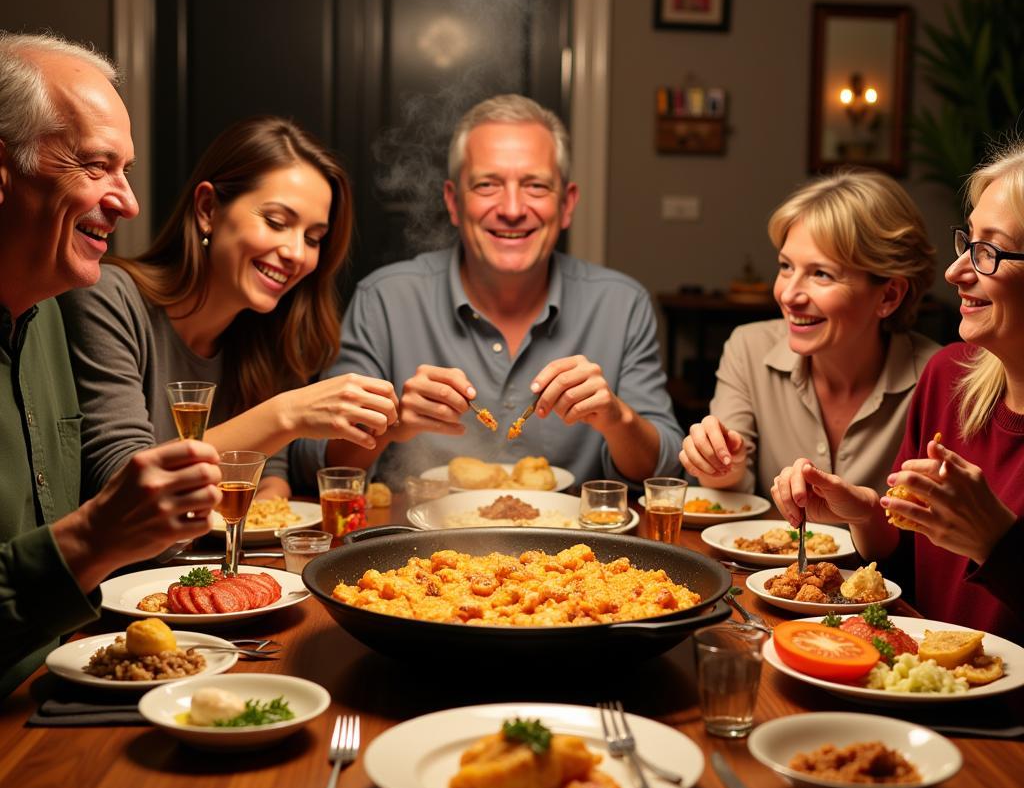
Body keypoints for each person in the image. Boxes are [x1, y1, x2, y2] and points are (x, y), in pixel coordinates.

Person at [291, 94, 683, 487]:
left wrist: (617, 419)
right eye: (487, 185)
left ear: (567, 205)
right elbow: (312, 468)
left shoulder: (622, 304)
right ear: (454, 202)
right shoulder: (385, 299)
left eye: (535, 186)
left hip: (577, 546)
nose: (512, 208)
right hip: (420, 544)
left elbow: (666, 472)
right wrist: (390, 426)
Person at [0, 31, 222, 696]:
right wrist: (93, 535)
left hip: (60, 691)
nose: (127, 201)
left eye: (124, 170)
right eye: (96, 165)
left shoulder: (46, 316)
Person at [59, 115, 399, 500]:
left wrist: (269, 503)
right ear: (207, 209)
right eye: (275, 221)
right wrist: (285, 415)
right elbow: (123, 482)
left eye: (314, 237)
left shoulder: (269, 332)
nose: (296, 253)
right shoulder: (107, 299)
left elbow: (272, 471)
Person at [772, 144, 1024, 638]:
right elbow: (904, 565)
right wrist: (864, 510)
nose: (958, 273)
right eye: (967, 242)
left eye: (989, 252)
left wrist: (1000, 544)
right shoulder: (949, 378)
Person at [679, 171, 938, 498]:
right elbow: (729, 491)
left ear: (888, 296)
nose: (788, 295)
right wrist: (719, 464)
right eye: (786, 266)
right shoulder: (749, 348)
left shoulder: (940, 379)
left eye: (821, 274)